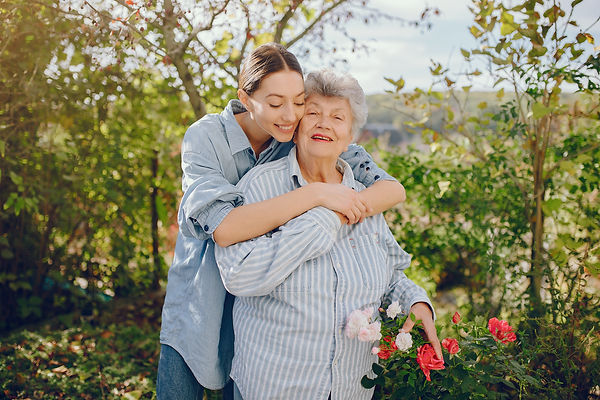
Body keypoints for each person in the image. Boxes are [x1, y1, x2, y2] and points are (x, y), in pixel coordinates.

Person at [157, 43, 407, 399]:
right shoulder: (206, 137)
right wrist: (317, 196)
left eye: (299, 100)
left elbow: (392, 189)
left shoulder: (300, 133)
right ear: (245, 96)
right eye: (275, 104)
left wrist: (339, 211)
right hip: (204, 294)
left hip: (262, 304)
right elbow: (225, 228)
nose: (290, 114)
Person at [214, 69, 441, 400]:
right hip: (275, 388)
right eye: (313, 113)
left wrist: (415, 301)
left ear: (350, 136)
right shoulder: (260, 186)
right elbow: (239, 276)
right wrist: (326, 215)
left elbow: (390, 275)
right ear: (295, 128)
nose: (324, 123)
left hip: (353, 389)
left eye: (337, 117)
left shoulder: (365, 194)